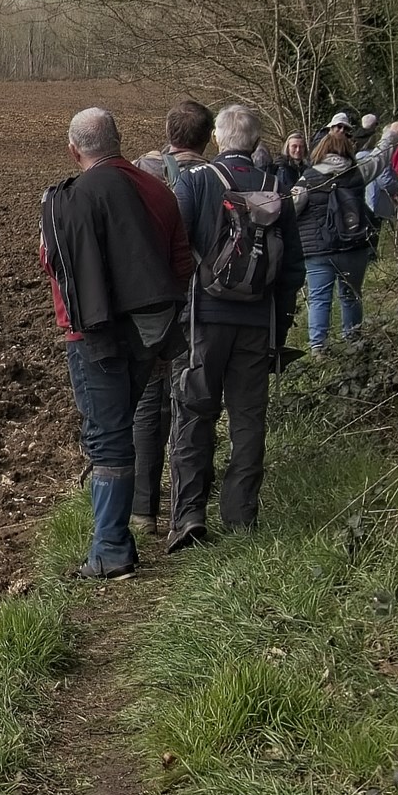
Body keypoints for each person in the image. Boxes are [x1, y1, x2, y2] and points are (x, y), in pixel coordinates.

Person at [36, 106, 190, 579]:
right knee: (120, 424)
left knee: (106, 437)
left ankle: (111, 549)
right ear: (119, 141)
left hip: (92, 335)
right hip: (150, 331)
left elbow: (52, 263)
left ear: (73, 150)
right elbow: (181, 263)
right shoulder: (159, 191)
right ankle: (121, 530)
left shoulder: (69, 199)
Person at [166, 101, 302, 546]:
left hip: (201, 322)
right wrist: (277, 332)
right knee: (248, 419)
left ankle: (189, 516)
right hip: (256, 324)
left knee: (193, 413)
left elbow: (174, 250)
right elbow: (293, 268)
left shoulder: (196, 181)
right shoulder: (276, 186)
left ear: (219, 140)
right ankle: (241, 517)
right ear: (257, 143)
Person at [127, 99, 214, 536]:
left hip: (147, 305)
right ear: (207, 137)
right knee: (189, 400)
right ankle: (187, 505)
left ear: (168, 131)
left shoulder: (141, 172)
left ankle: (142, 509)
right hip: (196, 306)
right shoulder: (214, 179)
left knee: (148, 403)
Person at [292, 120, 377, 350]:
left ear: (320, 149)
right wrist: (392, 135)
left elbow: (292, 207)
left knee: (319, 299)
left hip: (319, 249)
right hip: (353, 245)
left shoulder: (308, 178)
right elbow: (380, 159)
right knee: (350, 296)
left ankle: (319, 348)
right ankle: (354, 343)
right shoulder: (358, 173)